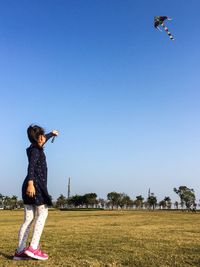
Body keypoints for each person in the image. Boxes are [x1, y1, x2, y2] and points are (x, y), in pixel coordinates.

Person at [13, 125, 59, 261]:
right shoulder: (35, 151)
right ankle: (33, 248)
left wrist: (52, 133)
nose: (44, 138)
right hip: (35, 186)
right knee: (43, 213)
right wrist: (31, 183)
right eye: (42, 136)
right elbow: (31, 167)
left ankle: (20, 252)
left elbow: (44, 140)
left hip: (29, 186)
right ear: (38, 138)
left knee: (28, 219)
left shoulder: (34, 147)